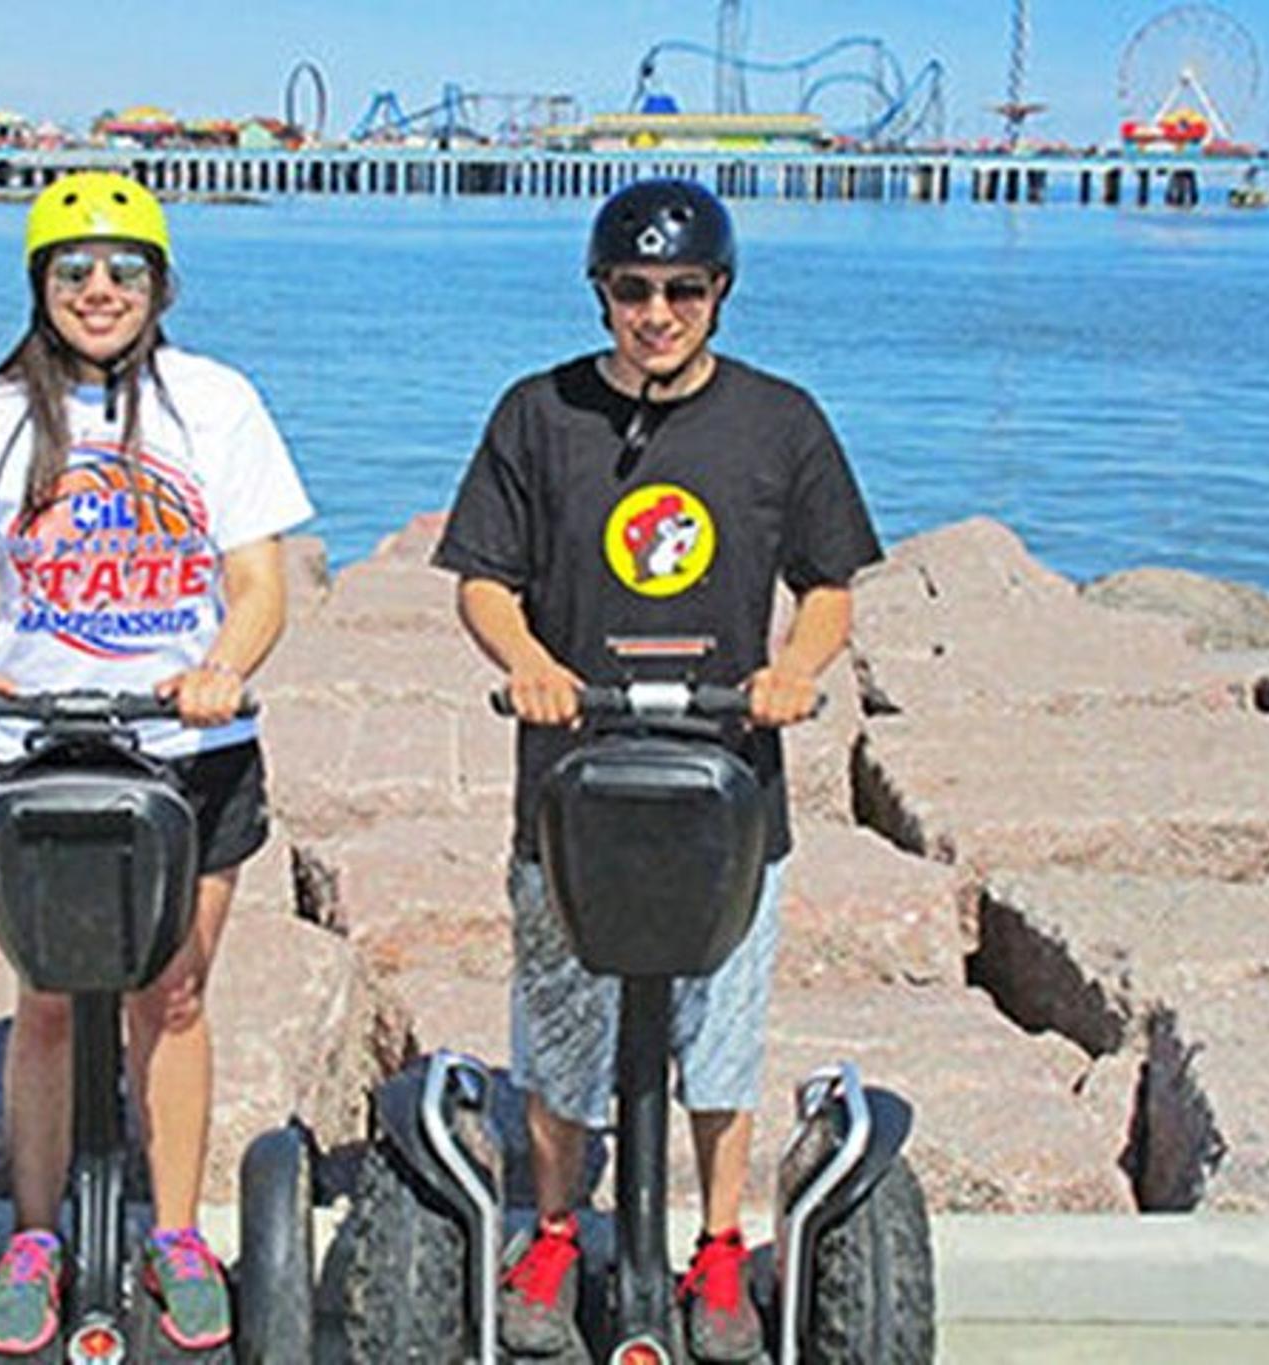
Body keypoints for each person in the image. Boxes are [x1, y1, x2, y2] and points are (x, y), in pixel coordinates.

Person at [431, 178, 882, 1364]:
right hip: (570, 786)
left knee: (720, 1036)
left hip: (726, 786)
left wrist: (792, 671)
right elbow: (483, 573)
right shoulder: (538, 414)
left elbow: (828, 583)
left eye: (681, 290)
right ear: (602, 295)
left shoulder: (779, 421)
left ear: (717, 294)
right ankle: (555, 1230)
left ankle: (721, 1246)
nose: (656, 311)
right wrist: (527, 660)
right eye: (632, 291)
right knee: (559, 1027)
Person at [0, 171, 312, 1356]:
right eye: (72, 269)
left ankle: (174, 1233)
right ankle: (34, 1234)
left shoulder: (214, 403)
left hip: (191, 755)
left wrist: (224, 665)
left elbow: (256, 582)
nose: (97, 290)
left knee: (170, 994)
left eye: (123, 270)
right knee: (43, 1002)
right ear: (38, 285)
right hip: (40, 751)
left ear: (158, 284)